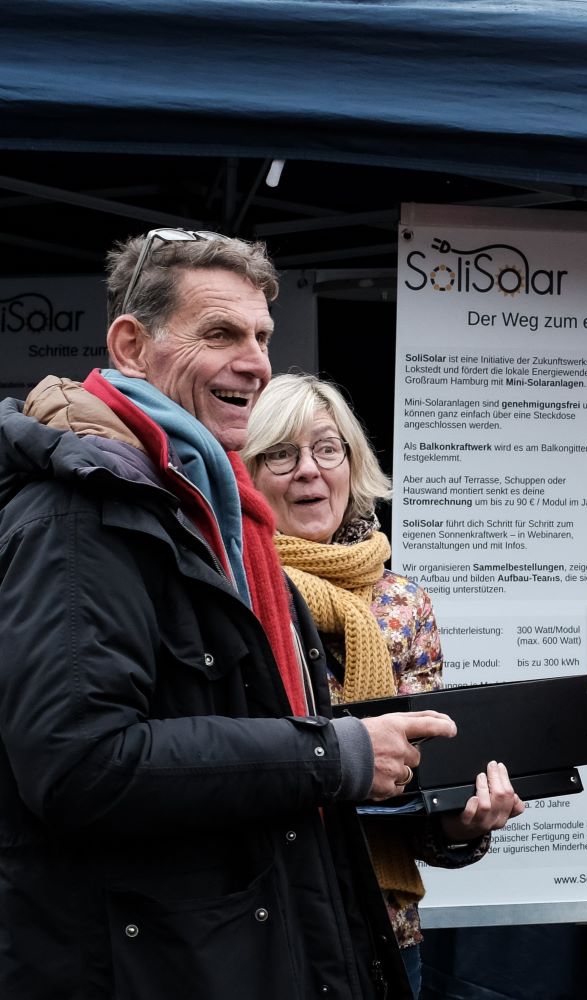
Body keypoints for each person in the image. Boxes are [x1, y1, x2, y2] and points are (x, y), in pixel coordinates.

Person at [0, 228, 456, 1000]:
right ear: (131, 346)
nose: (255, 361)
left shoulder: (217, 513)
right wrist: (331, 756)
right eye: (221, 334)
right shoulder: (76, 515)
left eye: (262, 336)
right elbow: (80, 764)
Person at [242, 372, 525, 997]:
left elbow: (423, 795)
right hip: (263, 925)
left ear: (352, 462)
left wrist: (465, 823)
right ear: (248, 472)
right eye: (282, 454)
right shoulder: (233, 587)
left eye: (326, 448)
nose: (309, 471)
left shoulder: (402, 604)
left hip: (383, 933)